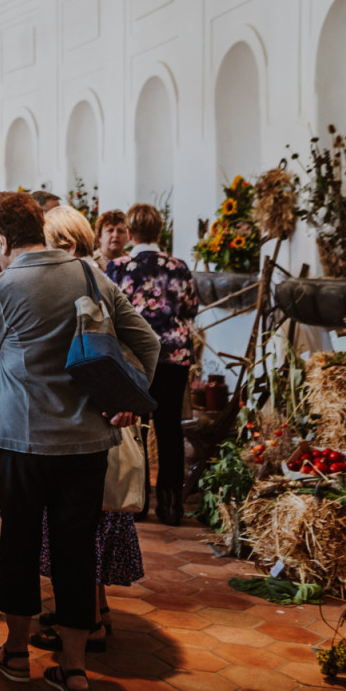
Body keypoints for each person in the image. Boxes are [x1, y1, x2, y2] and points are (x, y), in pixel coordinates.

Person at [0, 191, 159, 691]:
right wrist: (128, 403)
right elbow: (149, 343)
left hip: (21, 441)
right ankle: (74, 671)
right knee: (76, 549)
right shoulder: (93, 277)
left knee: (19, 543)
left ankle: (18, 655)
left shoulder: (1, 287)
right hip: (88, 442)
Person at [33, 206, 146, 652]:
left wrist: (124, 402)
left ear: (62, 243)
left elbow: (112, 350)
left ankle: (90, 624)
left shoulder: (85, 283)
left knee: (81, 532)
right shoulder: (94, 276)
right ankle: (88, 612)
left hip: (89, 424)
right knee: (84, 529)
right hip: (96, 420)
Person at [105, 202, 199, 526]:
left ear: (129, 234)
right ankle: (172, 505)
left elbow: (108, 311)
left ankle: (140, 500)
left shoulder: (117, 268)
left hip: (135, 357)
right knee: (169, 426)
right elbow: (190, 307)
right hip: (174, 355)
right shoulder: (178, 266)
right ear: (161, 232)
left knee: (136, 426)